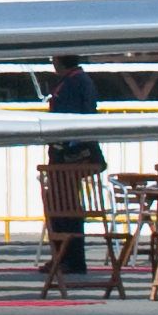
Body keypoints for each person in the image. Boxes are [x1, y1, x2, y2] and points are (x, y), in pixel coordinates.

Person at [44, 52, 108, 277]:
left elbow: (68, 119)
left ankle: (69, 258)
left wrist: (62, 148)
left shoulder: (73, 83)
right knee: (63, 207)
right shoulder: (79, 80)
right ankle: (64, 256)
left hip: (69, 155)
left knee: (65, 209)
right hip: (72, 152)